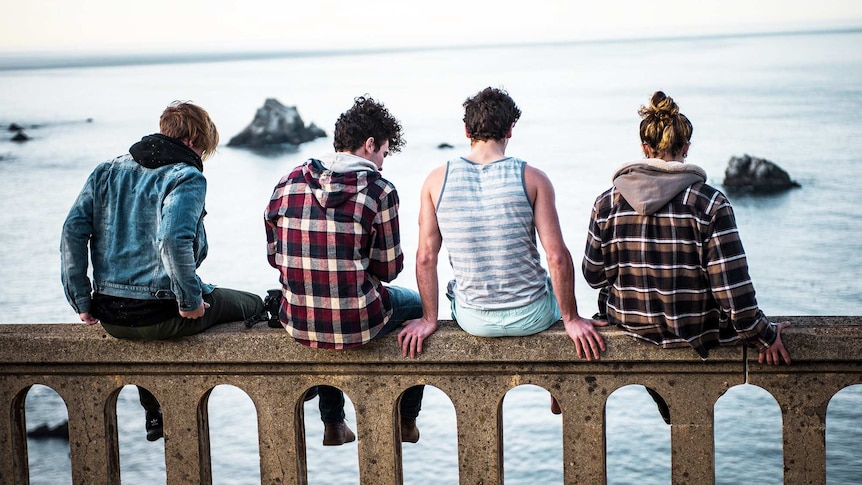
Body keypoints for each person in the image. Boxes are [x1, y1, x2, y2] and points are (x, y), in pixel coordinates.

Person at [61, 101, 266, 441]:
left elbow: (72, 232)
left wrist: (82, 301)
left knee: (147, 326)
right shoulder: (186, 176)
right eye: (203, 148)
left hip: (112, 317)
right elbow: (172, 241)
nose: (201, 155)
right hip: (162, 312)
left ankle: (154, 411)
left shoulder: (105, 171)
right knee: (253, 304)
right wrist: (189, 300)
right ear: (193, 140)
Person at [411, 87, 606, 413]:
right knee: (550, 292)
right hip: (533, 315)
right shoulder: (532, 178)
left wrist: (429, 318)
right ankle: (557, 392)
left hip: (474, 319)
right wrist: (571, 318)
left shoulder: (435, 181)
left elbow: (425, 258)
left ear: (466, 131)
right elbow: (557, 257)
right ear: (510, 129)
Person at [265, 95, 433, 446]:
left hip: (297, 319)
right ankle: (406, 419)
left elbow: (274, 257)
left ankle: (334, 423)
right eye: (384, 153)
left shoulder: (287, 183)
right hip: (359, 323)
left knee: (322, 297)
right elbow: (388, 269)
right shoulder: (379, 190)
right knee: (418, 308)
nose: (383, 164)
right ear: (370, 144)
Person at [582, 90, 791, 369]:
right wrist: (764, 335)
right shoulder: (709, 203)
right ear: (686, 147)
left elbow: (593, 275)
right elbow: (732, 290)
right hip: (698, 333)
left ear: (645, 148)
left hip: (630, 327)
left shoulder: (607, 202)